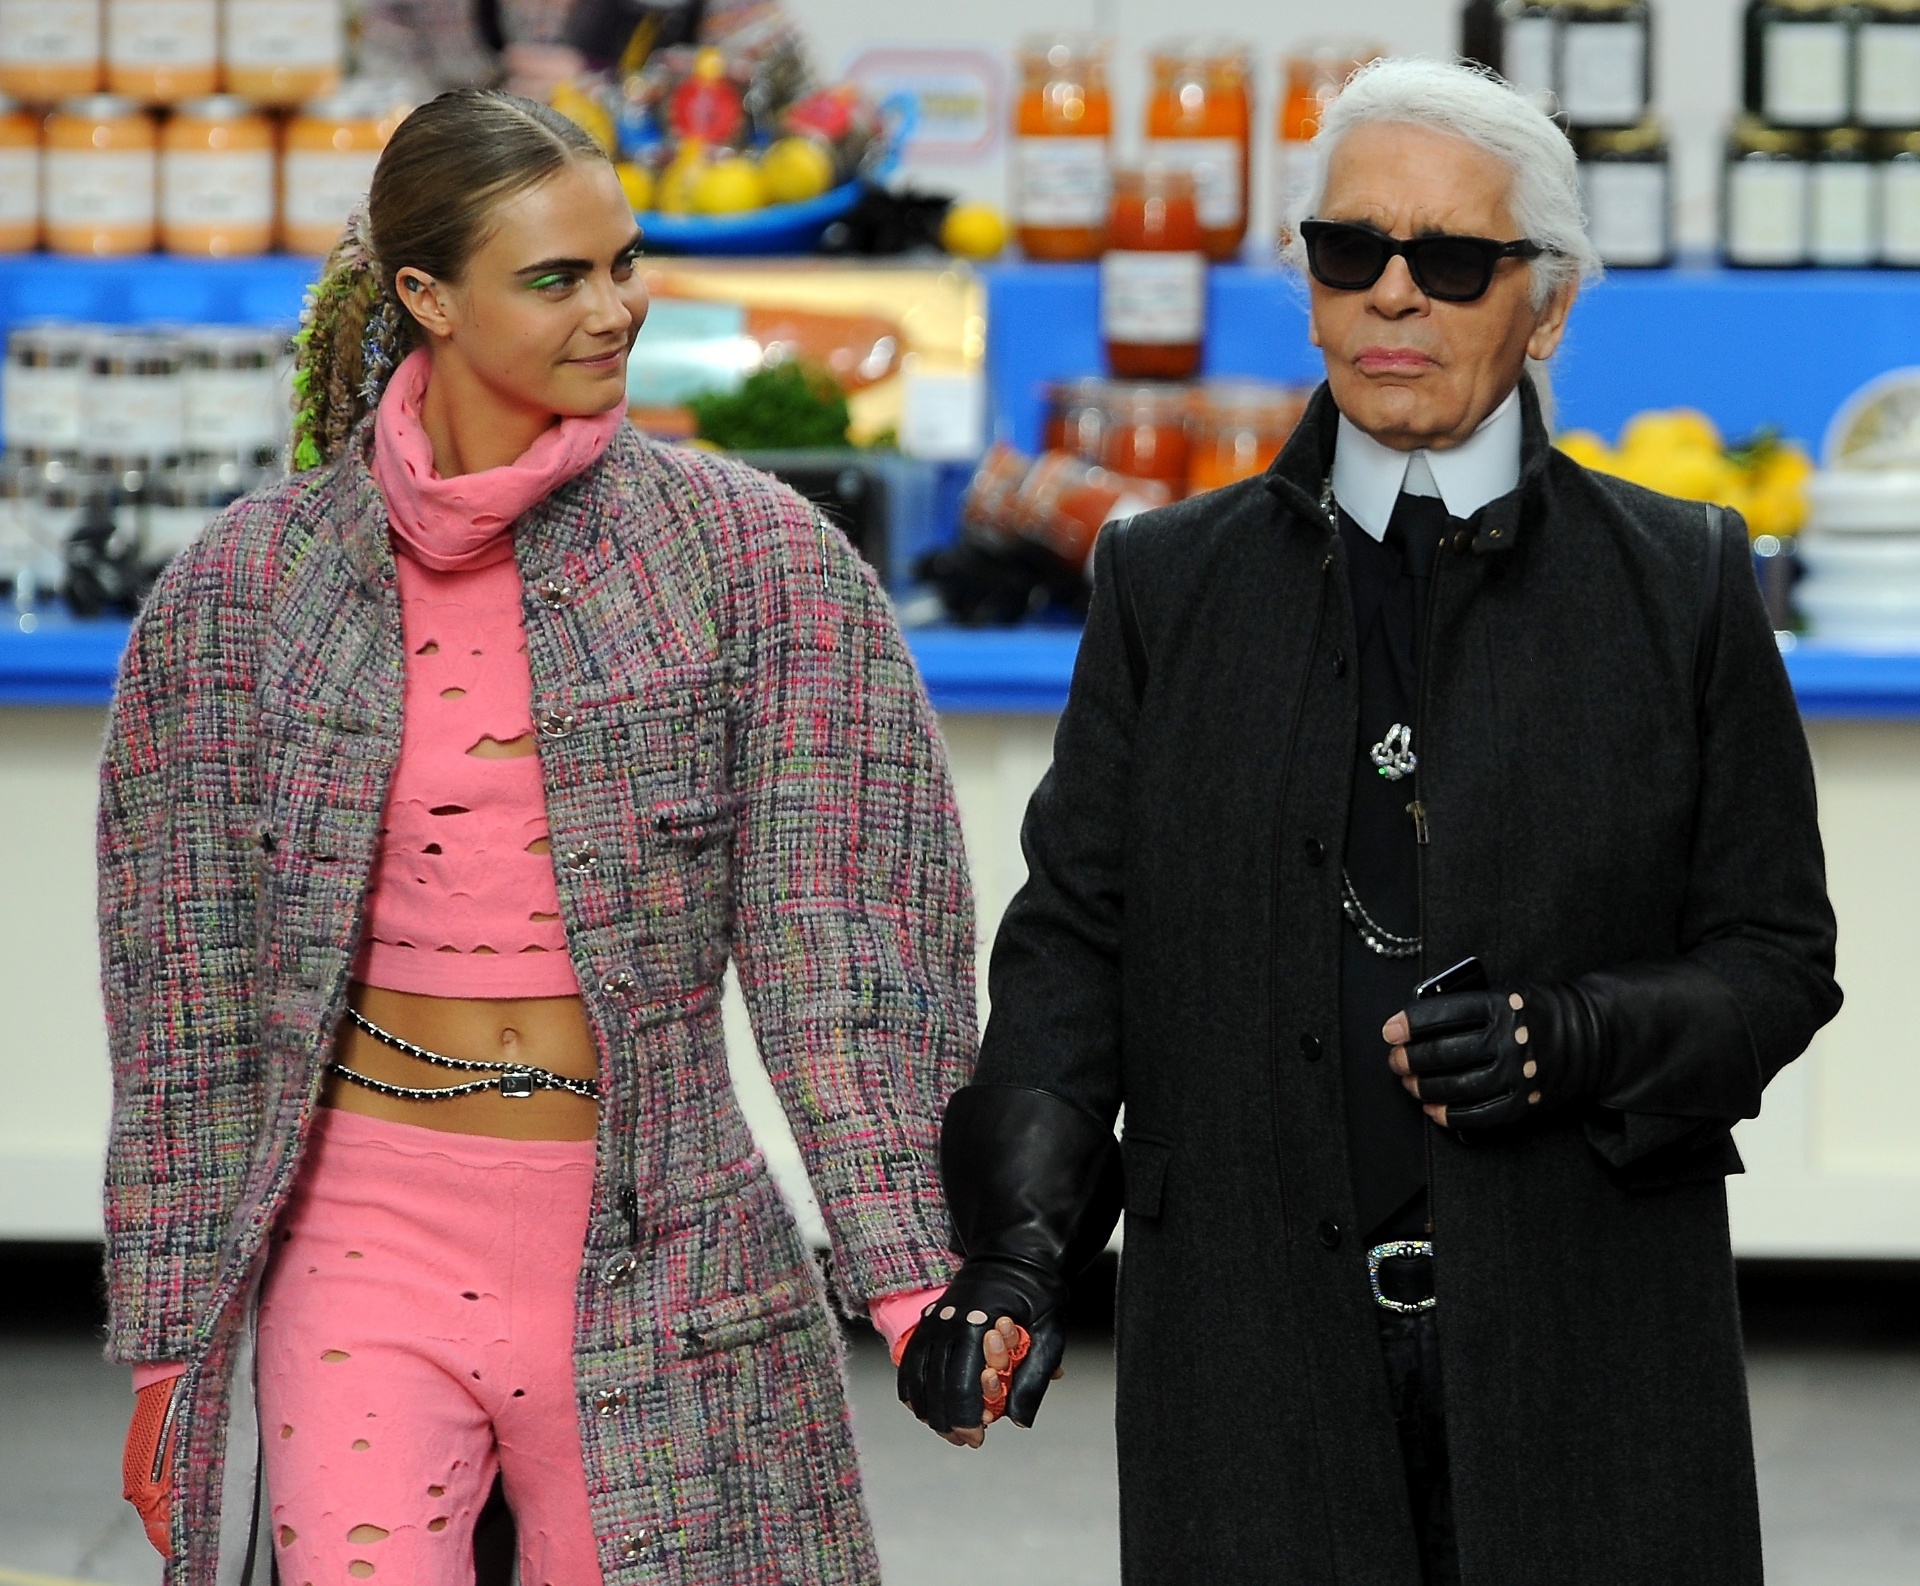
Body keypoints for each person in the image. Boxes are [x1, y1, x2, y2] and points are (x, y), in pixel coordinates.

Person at [897, 56, 1841, 1586]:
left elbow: (1778, 959)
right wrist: (1015, 1249)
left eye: (1452, 262)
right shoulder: (1166, 583)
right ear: (1313, 287)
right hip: (1254, 1366)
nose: (1395, 296)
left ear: (1548, 306)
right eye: (1354, 253)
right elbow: (1075, 948)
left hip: (1588, 1356)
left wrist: (1577, 1032)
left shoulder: (1681, 582)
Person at [100, 88, 972, 1586]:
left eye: (623, 263)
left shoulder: (755, 561)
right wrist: (170, 1341)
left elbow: (850, 938)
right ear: (424, 297)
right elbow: (186, 996)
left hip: (664, 1242)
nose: (615, 307)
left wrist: (917, 1275)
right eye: (556, 277)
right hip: (357, 1240)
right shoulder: (244, 591)